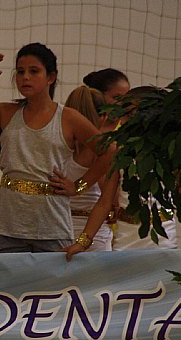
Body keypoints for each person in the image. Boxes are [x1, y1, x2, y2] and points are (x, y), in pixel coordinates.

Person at [0, 43, 116, 253]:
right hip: (10, 225)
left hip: (52, 227)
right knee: (11, 287)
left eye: (33, 71)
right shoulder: (6, 112)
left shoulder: (69, 118)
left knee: (53, 287)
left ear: (51, 77)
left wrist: (79, 186)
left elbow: (108, 151)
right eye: (20, 72)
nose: (25, 77)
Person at [107, 86, 181, 251]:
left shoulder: (171, 152)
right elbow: (104, 201)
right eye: (124, 115)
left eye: (129, 114)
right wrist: (83, 242)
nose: (123, 120)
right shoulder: (119, 151)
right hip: (126, 239)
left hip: (163, 238)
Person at [62, 86, 117, 251]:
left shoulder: (57, 143)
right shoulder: (106, 149)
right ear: (103, 117)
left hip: (58, 227)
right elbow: (107, 201)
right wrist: (84, 240)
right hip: (92, 232)